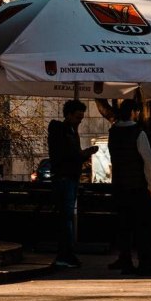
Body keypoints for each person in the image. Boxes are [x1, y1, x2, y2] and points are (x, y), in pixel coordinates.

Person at [107, 99, 151, 276]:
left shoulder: (113, 132)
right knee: (142, 227)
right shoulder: (139, 132)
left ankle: (125, 261)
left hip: (119, 185)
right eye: (137, 111)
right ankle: (145, 264)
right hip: (138, 186)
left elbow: (113, 157)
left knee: (124, 227)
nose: (139, 114)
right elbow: (148, 161)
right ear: (132, 112)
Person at [47, 99, 98, 268]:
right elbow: (70, 154)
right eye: (77, 117)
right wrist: (84, 154)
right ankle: (65, 254)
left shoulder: (69, 131)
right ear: (68, 115)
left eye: (81, 118)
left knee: (66, 218)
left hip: (68, 177)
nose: (80, 121)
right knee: (66, 218)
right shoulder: (62, 131)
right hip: (65, 178)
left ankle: (66, 253)